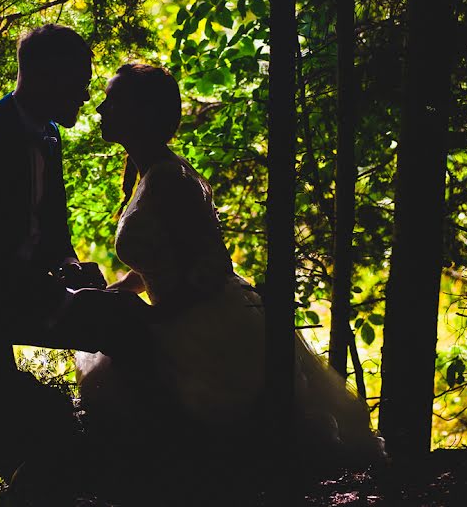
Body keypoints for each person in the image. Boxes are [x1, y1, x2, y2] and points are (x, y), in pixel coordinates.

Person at [76, 63, 385, 474]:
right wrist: (121, 290)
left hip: (202, 323)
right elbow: (164, 259)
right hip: (182, 314)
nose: (100, 108)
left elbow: (210, 266)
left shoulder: (170, 179)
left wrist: (154, 318)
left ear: (140, 112)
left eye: (113, 100)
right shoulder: (151, 173)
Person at [0, 25, 151, 486]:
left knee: (127, 319)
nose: (86, 93)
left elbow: (49, 230)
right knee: (125, 326)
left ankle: (134, 458)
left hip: (12, 290)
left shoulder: (48, 136)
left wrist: (73, 266)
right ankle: (143, 466)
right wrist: (65, 298)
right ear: (46, 76)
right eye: (80, 78)